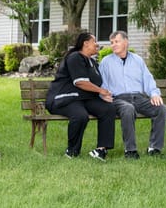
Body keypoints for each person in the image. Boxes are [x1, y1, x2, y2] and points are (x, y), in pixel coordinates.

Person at [45, 32, 115, 161]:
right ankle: (72, 151)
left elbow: (94, 84)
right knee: (80, 115)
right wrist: (101, 91)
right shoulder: (75, 57)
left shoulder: (92, 62)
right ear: (85, 43)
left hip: (83, 98)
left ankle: (101, 150)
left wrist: (102, 95)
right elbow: (80, 82)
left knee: (108, 109)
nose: (97, 44)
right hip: (64, 98)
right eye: (94, 41)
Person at [100, 30, 166, 159]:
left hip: (139, 98)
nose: (113, 45)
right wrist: (103, 95)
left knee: (161, 109)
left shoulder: (137, 60)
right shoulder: (106, 62)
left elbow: (148, 79)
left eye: (117, 41)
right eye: (112, 42)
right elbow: (102, 83)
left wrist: (154, 93)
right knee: (128, 109)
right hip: (119, 99)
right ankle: (130, 150)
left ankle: (154, 148)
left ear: (126, 42)